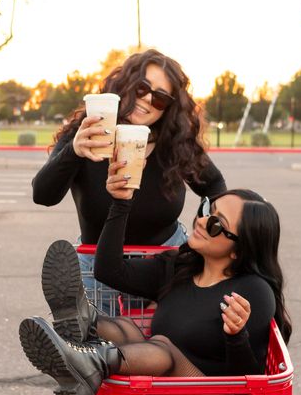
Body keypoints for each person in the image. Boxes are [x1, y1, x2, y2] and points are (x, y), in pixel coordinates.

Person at [19, 170, 292, 395]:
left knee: (163, 347)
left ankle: (90, 364)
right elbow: (109, 270)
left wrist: (236, 337)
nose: (202, 220)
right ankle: (84, 323)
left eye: (216, 224)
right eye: (207, 209)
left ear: (238, 249)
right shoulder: (179, 268)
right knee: (127, 327)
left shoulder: (252, 291)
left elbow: (249, 380)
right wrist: (122, 202)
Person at [31, 49, 227, 314]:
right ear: (125, 85)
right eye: (141, 88)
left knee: (157, 346)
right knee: (99, 350)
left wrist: (204, 236)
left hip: (161, 265)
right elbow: (43, 195)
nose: (146, 99)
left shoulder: (175, 145)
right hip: (97, 266)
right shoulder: (87, 134)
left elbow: (215, 188)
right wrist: (73, 151)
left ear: (168, 108)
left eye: (159, 98)